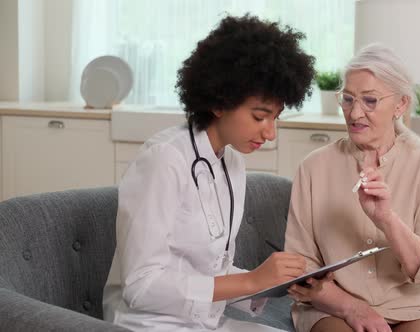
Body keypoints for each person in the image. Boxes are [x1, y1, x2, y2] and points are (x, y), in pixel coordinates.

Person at [102, 15, 315, 332]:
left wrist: (273, 284)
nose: (270, 133)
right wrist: (251, 280)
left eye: (276, 119)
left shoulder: (232, 163)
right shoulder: (164, 159)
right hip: (147, 324)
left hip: (204, 322)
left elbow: (209, 269)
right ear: (220, 102)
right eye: (260, 116)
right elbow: (141, 286)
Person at [284, 44, 420, 332]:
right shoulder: (312, 168)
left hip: (416, 306)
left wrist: (386, 219)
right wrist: (352, 308)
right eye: (348, 99)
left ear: (400, 105)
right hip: (333, 307)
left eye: (370, 101)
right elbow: (300, 265)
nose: (354, 114)